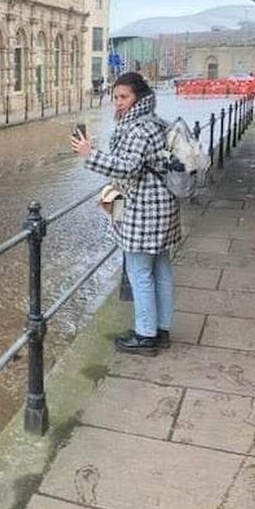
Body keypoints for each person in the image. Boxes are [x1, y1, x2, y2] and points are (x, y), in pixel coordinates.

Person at [71, 72, 181, 356]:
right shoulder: (153, 122)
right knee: (161, 269)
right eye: (115, 97)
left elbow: (127, 168)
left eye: (124, 97)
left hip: (144, 210)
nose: (117, 102)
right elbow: (133, 162)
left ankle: (145, 336)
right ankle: (162, 329)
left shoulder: (139, 128)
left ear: (139, 98)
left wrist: (89, 153)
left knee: (139, 272)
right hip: (162, 207)